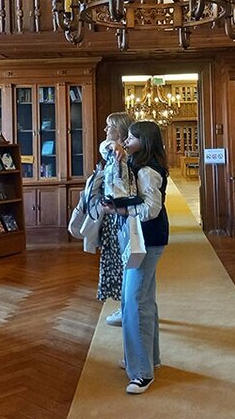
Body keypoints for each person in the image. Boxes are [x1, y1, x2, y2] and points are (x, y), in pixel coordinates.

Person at [106, 120, 169, 395]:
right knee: (144, 300)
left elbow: (151, 210)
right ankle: (149, 359)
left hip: (147, 240)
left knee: (134, 303)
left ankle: (142, 372)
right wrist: (116, 148)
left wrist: (121, 211)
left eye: (131, 138)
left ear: (144, 142)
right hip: (143, 239)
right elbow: (107, 146)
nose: (126, 142)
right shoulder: (136, 163)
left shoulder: (148, 171)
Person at [97, 112, 133, 326]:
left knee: (124, 263)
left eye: (109, 126)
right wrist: (112, 144)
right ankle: (124, 306)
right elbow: (103, 146)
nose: (105, 130)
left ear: (119, 131)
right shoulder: (113, 150)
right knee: (118, 261)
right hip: (114, 215)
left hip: (122, 216)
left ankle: (127, 309)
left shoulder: (125, 156)